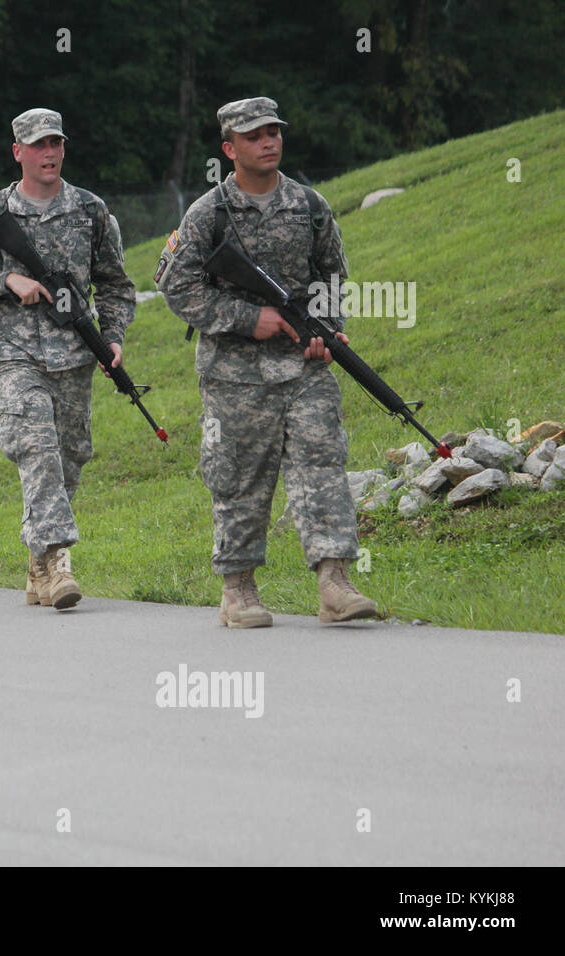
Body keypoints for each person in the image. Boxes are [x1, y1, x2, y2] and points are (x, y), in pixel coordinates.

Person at [157, 96, 378, 627]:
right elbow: (174, 284)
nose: (269, 141)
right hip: (235, 376)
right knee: (239, 478)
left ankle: (334, 582)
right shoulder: (208, 212)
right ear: (230, 149)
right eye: (255, 136)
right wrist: (243, 317)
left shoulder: (309, 204)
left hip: (304, 368)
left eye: (274, 131)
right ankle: (238, 590)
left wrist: (326, 327)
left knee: (323, 460)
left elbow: (331, 275)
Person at [0, 108, 135, 610]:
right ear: (18, 152)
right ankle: (58, 562)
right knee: (37, 446)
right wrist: (6, 281)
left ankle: (37, 558)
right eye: (38, 145)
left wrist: (111, 337)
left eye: (56, 143)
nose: (49, 153)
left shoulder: (92, 211)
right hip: (13, 352)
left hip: (74, 353)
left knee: (71, 455)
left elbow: (116, 284)